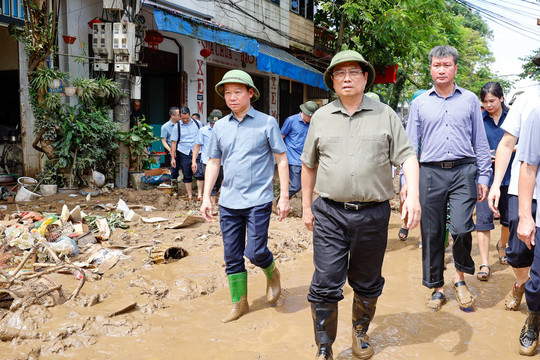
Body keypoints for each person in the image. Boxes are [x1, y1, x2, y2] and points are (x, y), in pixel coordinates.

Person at [301, 50, 421, 360]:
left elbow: (407, 156)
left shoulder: (386, 115)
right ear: (332, 81)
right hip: (329, 213)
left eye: (353, 72)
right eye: (339, 74)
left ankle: (360, 332)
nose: (346, 78)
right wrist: (304, 207)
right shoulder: (321, 117)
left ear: (365, 77)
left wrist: (414, 196)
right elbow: (309, 164)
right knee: (325, 281)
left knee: (367, 281)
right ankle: (324, 347)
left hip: (373, 214)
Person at [402, 45, 492, 312]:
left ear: (455, 68)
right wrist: (407, 184)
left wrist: (484, 175)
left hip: (464, 170)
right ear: (430, 69)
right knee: (432, 232)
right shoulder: (419, 103)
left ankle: (459, 279)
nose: (441, 70)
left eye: (446, 65)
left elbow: (480, 140)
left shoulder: (469, 100)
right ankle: (437, 288)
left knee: (462, 227)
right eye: (436, 65)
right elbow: (409, 147)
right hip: (429, 172)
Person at [200, 70, 290, 323]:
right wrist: (207, 197)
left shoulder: (266, 123)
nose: (232, 97)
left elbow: (281, 160)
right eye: (227, 93)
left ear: (251, 93)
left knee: (255, 251)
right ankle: (239, 303)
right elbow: (214, 162)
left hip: (258, 200)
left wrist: (284, 197)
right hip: (229, 201)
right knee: (231, 255)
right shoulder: (219, 126)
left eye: (237, 91)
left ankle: (272, 273)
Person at [488, 70, 540, 310]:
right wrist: (496, 184)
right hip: (524, 190)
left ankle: (533, 308)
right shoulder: (529, 98)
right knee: (518, 252)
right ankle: (523, 282)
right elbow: (507, 144)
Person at [475, 82, 512, 281]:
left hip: (510, 177)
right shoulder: (479, 121)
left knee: (509, 220)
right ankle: (484, 263)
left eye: (492, 101)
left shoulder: (513, 118)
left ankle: (502, 245)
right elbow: (470, 145)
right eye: (485, 101)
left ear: (501, 99)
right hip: (484, 177)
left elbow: (523, 142)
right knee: (483, 222)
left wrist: (505, 151)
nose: (488, 105)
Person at [515, 102, 540, 356]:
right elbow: (529, 167)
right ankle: (533, 319)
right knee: (538, 283)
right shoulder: (538, 113)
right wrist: (525, 215)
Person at [398, 89, 427, 241]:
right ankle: (405, 222)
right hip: (408, 162)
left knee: (425, 199)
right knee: (405, 197)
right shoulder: (405, 121)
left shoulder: (433, 118)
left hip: (427, 165)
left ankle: (423, 235)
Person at [280, 100, 319, 199]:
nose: (311, 118)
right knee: (296, 186)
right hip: (293, 159)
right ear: (304, 113)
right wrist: (281, 156)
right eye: (310, 116)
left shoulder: (313, 123)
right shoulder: (291, 120)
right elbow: (281, 136)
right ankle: (281, 200)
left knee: (307, 187)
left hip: (307, 159)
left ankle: (304, 210)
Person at [170, 106, 203, 201]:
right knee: (187, 174)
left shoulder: (198, 124)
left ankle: (200, 194)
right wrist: (172, 158)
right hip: (184, 152)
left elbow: (202, 137)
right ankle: (189, 195)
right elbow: (174, 142)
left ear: (190, 115)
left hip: (198, 152)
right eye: (183, 118)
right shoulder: (177, 127)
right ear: (180, 116)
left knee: (199, 173)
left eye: (187, 118)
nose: (185, 120)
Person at [192, 109, 223, 206]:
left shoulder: (225, 131)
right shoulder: (203, 130)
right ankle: (212, 204)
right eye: (212, 123)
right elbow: (197, 146)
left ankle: (214, 200)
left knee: (218, 182)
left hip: (222, 162)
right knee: (211, 183)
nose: (214, 125)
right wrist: (194, 161)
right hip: (207, 161)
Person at [161, 107, 181, 179]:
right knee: (174, 171)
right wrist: (171, 151)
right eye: (178, 114)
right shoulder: (165, 127)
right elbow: (164, 141)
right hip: (173, 151)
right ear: (172, 116)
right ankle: (174, 188)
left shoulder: (182, 124)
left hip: (183, 150)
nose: (180, 116)